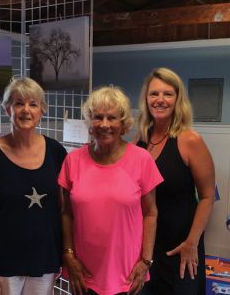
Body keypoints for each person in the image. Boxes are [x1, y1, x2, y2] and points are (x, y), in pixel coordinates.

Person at [58, 86, 163, 295]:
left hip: (127, 275)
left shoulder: (142, 159)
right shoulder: (73, 160)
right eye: (98, 117)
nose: (104, 124)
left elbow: (151, 213)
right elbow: (66, 213)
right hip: (83, 274)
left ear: (123, 124)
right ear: (89, 123)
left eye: (112, 118)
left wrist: (146, 261)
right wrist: (68, 255)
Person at [0, 77, 67, 295]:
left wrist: (66, 253)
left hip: (44, 258)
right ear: (7, 109)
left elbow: (62, 209)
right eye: (18, 103)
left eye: (33, 104)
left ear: (42, 110)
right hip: (2, 264)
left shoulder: (55, 152)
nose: (26, 110)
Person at [135, 67, 215, 295]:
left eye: (167, 94)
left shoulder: (190, 141)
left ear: (178, 99)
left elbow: (208, 197)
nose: (160, 100)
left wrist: (192, 242)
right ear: (146, 99)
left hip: (182, 247)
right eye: (154, 94)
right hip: (146, 247)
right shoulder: (139, 141)